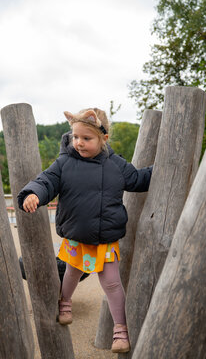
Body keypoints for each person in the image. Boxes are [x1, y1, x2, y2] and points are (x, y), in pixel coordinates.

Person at [17, 107, 152, 353]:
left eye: (86, 138)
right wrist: (33, 193)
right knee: (71, 273)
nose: (78, 143)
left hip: (105, 237)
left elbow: (138, 179)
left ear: (103, 139)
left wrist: (161, 169)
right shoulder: (64, 163)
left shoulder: (116, 165)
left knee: (112, 283)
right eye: (75, 137)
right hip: (77, 234)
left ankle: (120, 329)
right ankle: (65, 302)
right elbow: (46, 180)